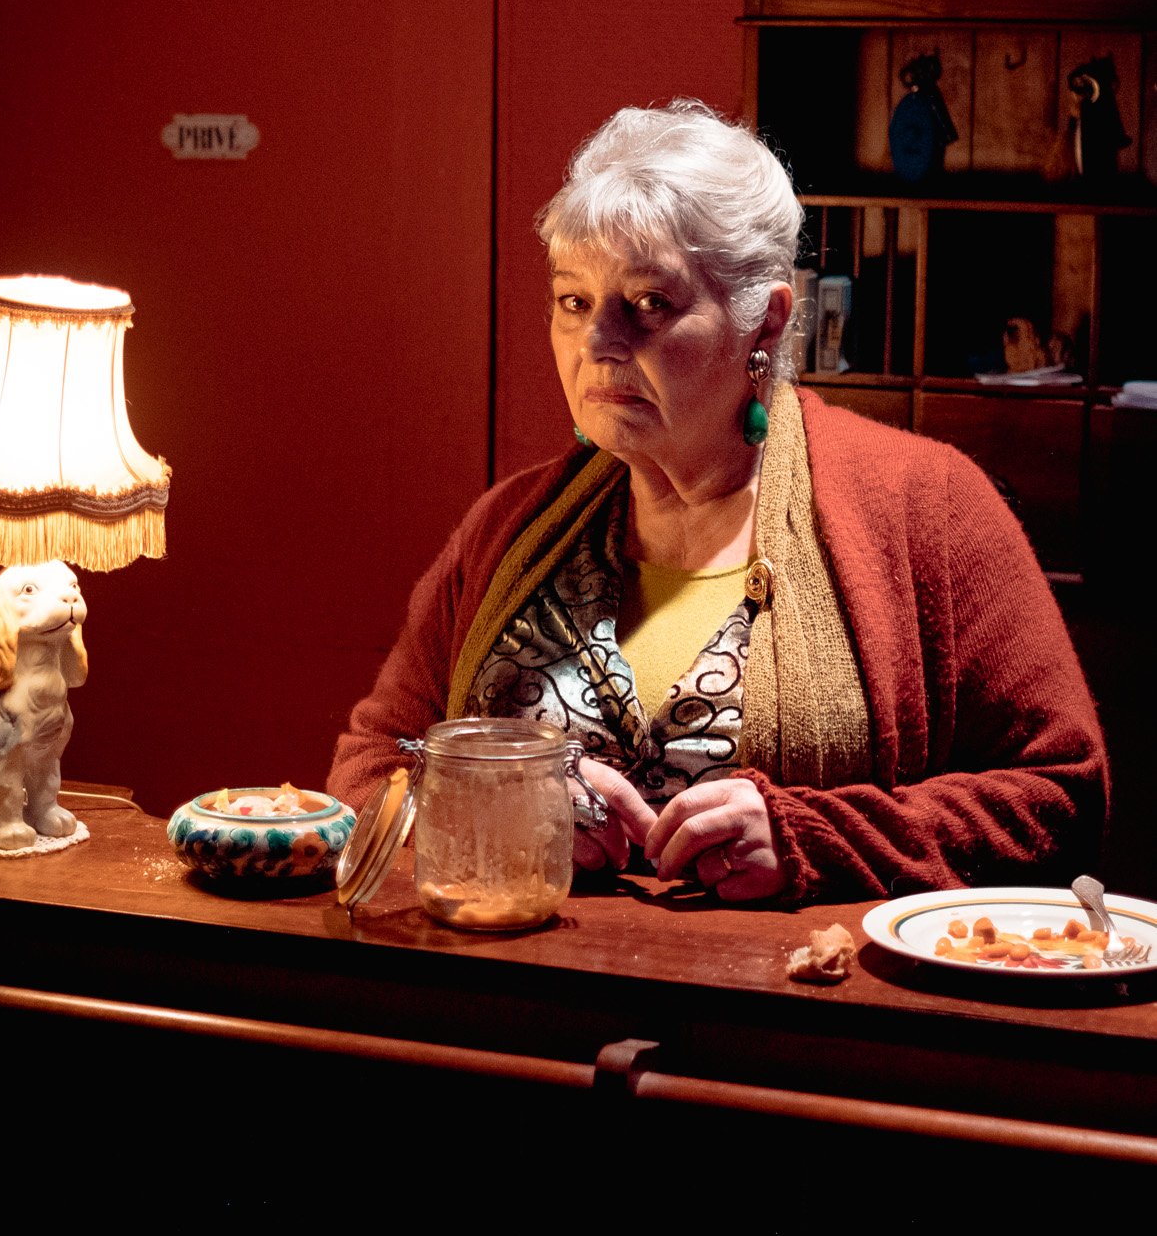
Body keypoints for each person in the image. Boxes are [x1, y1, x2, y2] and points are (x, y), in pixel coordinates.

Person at [327, 99, 1106, 904]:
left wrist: (817, 840)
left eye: (649, 304)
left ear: (762, 321)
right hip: (514, 1007)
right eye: (573, 300)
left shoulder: (927, 507)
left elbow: (1060, 792)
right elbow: (369, 767)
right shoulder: (511, 527)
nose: (598, 341)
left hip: (797, 1013)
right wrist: (488, 804)